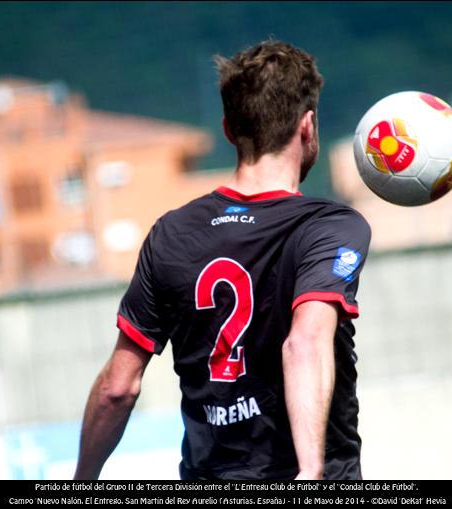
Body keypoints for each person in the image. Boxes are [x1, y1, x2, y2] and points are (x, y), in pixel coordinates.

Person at [74, 39, 371, 481]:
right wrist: (311, 473)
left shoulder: (170, 235)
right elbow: (305, 342)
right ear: (308, 126)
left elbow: (118, 388)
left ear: (229, 130)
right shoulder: (328, 227)